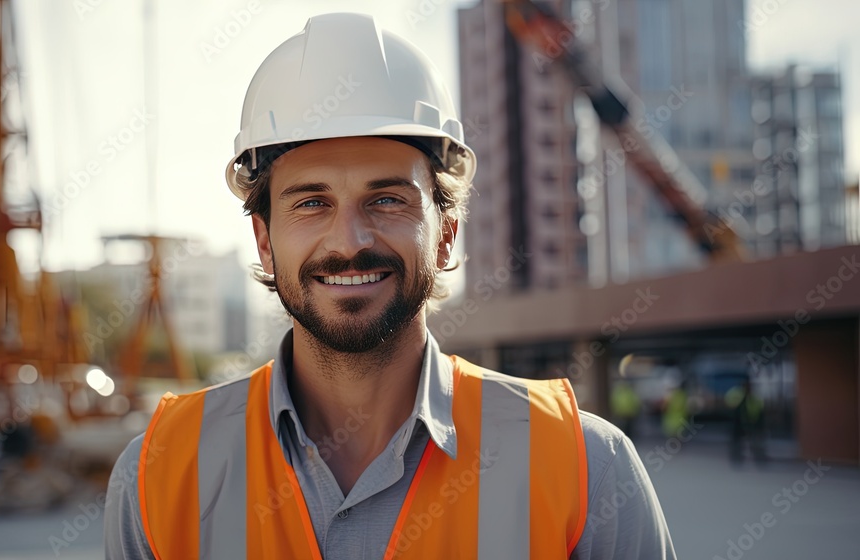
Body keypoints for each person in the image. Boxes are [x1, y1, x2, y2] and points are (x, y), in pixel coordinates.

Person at [105, 13, 676, 559]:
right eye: (311, 203)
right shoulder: (158, 472)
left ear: (447, 233)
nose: (349, 241)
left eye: (387, 199)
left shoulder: (585, 467)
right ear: (264, 241)